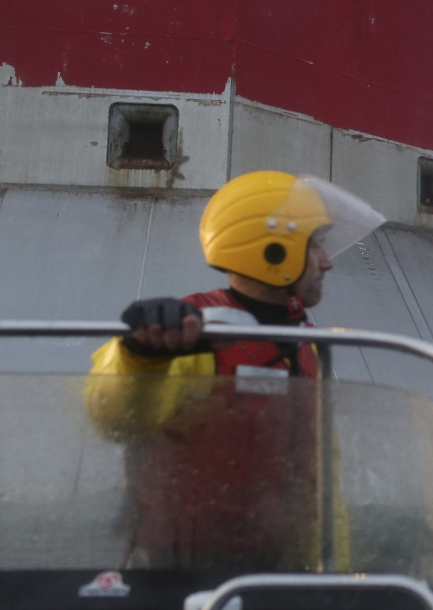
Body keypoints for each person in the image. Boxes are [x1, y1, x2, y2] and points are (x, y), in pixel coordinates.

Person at [84, 170, 385, 570]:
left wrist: (334, 573)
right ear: (274, 250)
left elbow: (320, 479)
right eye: (315, 246)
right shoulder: (188, 331)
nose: (327, 262)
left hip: (285, 572)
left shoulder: (305, 341)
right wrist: (140, 355)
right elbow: (113, 417)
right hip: (178, 573)